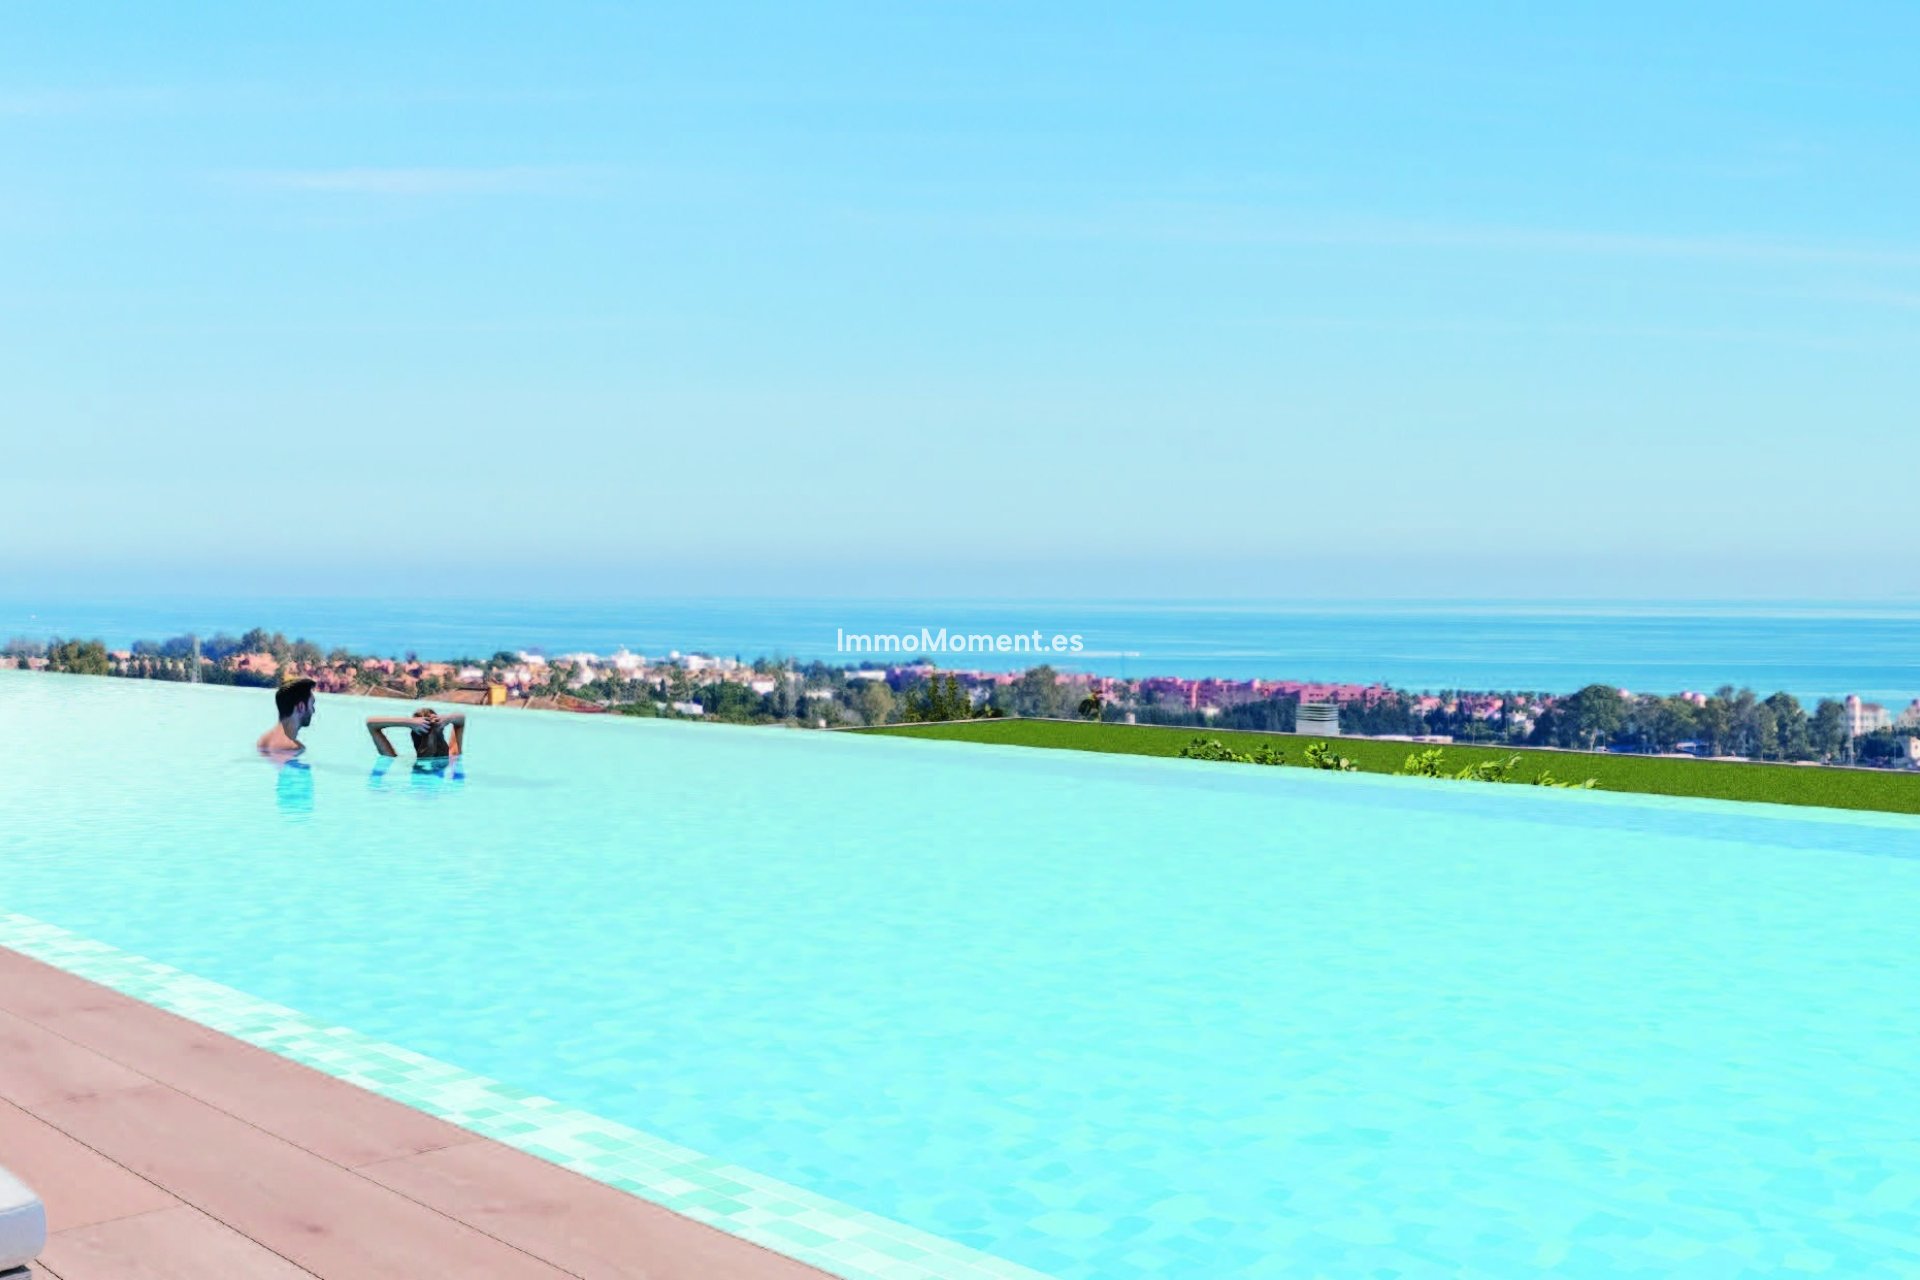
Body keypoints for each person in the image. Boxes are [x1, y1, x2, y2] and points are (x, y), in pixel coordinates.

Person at [366, 707, 466, 759]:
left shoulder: (395, 759)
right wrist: (447, 719)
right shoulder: (453, 757)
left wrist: (409, 722)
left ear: (413, 737)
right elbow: (461, 720)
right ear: (441, 733)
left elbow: (371, 724)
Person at [258, 677, 317, 754]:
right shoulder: (294, 748)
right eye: (312, 705)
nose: (313, 711)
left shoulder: (262, 742)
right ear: (301, 707)